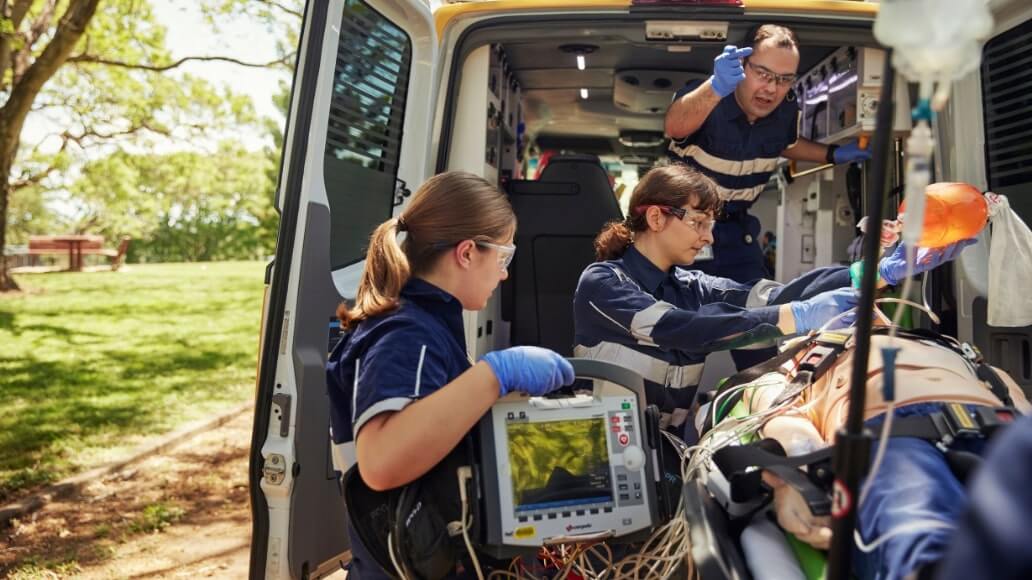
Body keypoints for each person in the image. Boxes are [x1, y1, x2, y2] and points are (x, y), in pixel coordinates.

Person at [572, 163, 968, 439]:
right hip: (605, 442)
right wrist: (797, 316)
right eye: (698, 222)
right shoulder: (603, 282)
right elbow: (681, 329)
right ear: (657, 218)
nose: (708, 237)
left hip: (668, 445)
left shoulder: (691, 285)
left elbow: (775, 296)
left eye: (711, 225)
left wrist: (870, 273)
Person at [325, 172, 575, 578]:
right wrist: (494, 374)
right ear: (466, 253)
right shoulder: (408, 332)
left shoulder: (426, 321)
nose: (505, 273)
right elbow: (382, 462)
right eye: (504, 257)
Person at [737, 328, 1029, 580]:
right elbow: (783, 422)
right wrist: (797, 481)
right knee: (920, 538)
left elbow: (1021, 410)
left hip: (996, 425)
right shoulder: (801, 358)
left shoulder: (955, 348)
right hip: (889, 433)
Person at [664, 24, 871, 284]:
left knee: (751, 309)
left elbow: (784, 143)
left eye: (785, 79)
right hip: (686, 226)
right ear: (742, 65)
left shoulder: (785, 109)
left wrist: (834, 153)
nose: (772, 88)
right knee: (682, 312)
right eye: (763, 74)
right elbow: (674, 126)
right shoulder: (705, 98)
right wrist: (716, 87)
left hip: (738, 231)